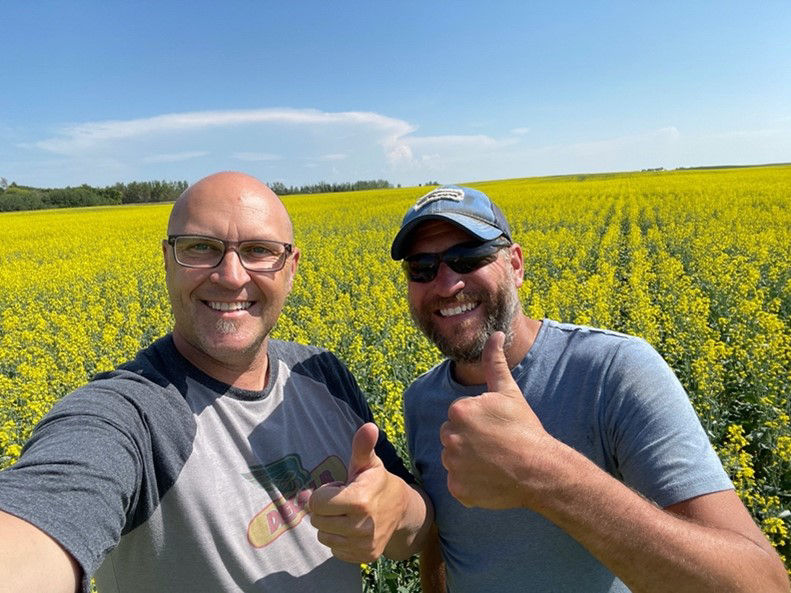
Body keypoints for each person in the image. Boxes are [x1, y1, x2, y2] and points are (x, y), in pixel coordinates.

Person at [0, 172, 431, 593]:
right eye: (200, 248)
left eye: (259, 250)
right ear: (167, 259)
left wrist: (403, 511)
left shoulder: (321, 372)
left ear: (291, 267)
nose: (231, 275)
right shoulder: (131, 417)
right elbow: (45, 511)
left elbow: (411, 530)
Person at [390, 185, 789, 593]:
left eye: (468, 257)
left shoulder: (614, 370)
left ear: (516, 264)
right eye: (421, 267)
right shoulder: (421, 400)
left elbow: (763, 586)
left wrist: (542, 472)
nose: (445, 283)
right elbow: (442, 542)